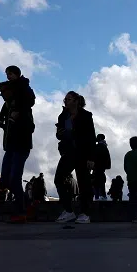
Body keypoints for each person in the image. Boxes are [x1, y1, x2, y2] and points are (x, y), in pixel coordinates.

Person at [0, 80, 36, 222]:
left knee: (14, 179)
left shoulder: (22, 108)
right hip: (11, 147)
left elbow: (30, 127)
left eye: (4, 91)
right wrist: (4, 124)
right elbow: (10, 127)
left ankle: (21, 211)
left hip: (21, 147)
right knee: (5, 180)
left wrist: (16, 121)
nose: (1, 95)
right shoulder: (7, 107)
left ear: (11, 91)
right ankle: (28, 204)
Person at [54, 91, 96, 224]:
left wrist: (91, 157)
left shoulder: (86, 115)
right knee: (59, 179)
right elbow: (59, 135)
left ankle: (85, 213)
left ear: (76, 101)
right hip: (68, 152)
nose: (65, 101)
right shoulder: (63, 116)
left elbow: (91, 136)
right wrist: (60, 134)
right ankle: (68, 211)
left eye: (68, 99)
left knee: (84, 183)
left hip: (83, 153)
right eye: (65, 99)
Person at [92, 134, 111, 200]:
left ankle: (99, 196)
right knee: (100, 181)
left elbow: (95, 155)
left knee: (96, 181)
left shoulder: (99, 146)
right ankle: (101, 195)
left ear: (99, 138)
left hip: (98, 165)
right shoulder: (104, 146)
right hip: (101, 166)